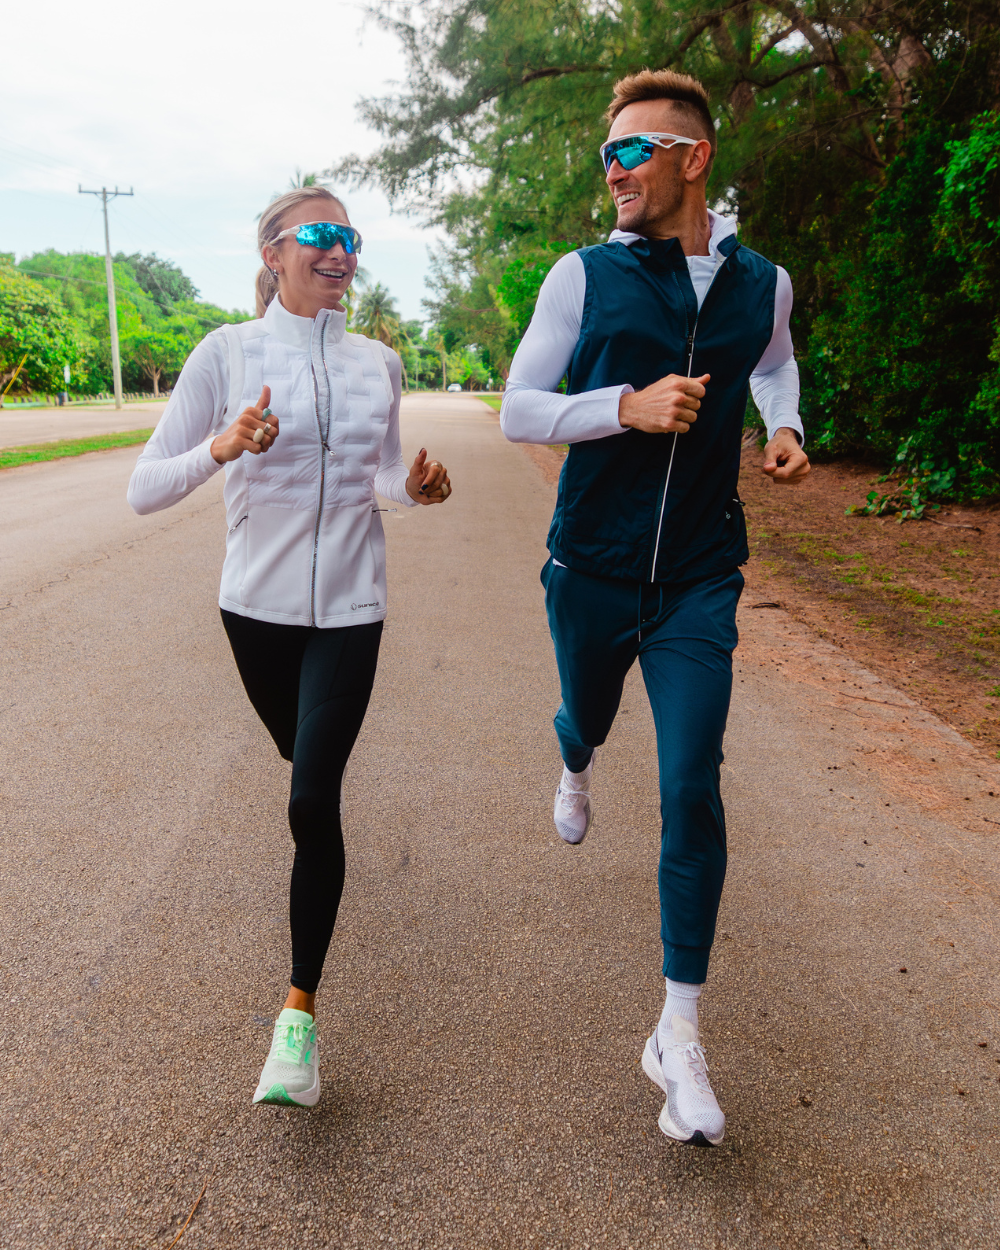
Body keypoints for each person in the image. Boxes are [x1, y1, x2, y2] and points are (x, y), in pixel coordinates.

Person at [500, 70, 810, 1147]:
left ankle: (677, 1030)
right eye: (606, 156)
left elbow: (774, 363)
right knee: (587, 711)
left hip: (697, 574)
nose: (613, 172)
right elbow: (516, 408)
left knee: (691, 779)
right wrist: (622, 408)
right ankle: (574, 751)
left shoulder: (759, 283)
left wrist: (785, 427)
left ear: (692, 157)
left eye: (631, 152)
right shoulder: (581, 278)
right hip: (589, 561)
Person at [128, 186, 452, 1108]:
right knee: (297, 756)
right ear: (273, 251)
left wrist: (415, 489)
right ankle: (316, 803)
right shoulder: (226, 353)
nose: (340, 250)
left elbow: (382, 475)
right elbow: (144, 489)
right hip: (256, 616)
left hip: (352, 608)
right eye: (320, 235)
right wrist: (223, 448)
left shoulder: (378, 363)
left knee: (313, 796)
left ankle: (297, 1024)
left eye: (350, 237)